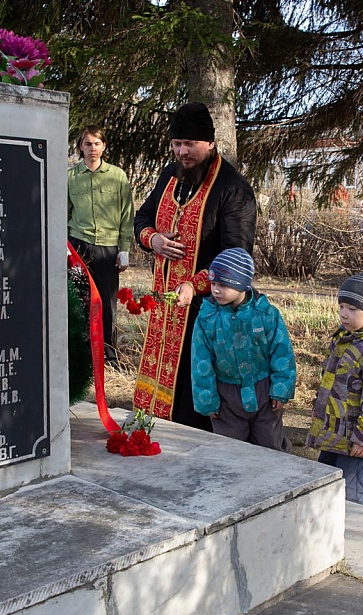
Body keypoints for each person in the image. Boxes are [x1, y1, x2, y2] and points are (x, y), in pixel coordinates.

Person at [133, 102, 258, 431]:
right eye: (177, 144)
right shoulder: (170, 174)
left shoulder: (233, 189)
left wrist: (195, 284)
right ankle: (156, 433)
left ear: (210, 144)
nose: (183, 152)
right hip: (166, 305)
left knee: (194, 394)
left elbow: (238, 255)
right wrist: (153, 239)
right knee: (162, 384)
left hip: (207, 308)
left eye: (190, 144)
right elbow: (142, 218)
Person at [191, 248, 296, 451]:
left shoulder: (266, 314)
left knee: (270, 445)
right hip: (226, 399)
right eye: (213, 283)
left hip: (264, 393)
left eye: (223, 284)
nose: (215, 290)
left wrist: (280, 390)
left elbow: (282, 353)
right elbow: (200, 361)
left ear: (242, 284)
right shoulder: (207, 319)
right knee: (230, 450)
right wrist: (207, 400)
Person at [306, 273, 363, 506]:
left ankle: (356, 529)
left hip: (355, 440)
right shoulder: (344, 339)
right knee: (325, 482)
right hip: (333, 432)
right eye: (342, 306)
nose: (344, 313)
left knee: (351, 491)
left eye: (353, 309)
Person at [67, 125, 133, 364]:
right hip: (78, 245)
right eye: (87, 144)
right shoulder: (70, 177)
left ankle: (109, 354)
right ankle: (81, 355)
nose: (92, 148)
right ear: (80, 147)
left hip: (107, 248)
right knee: (79, 300)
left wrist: (124, 249)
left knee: (107, 303)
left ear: (104, 146)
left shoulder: (117, 176)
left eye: (97, 143)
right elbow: (64, 213)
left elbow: (127, 214)